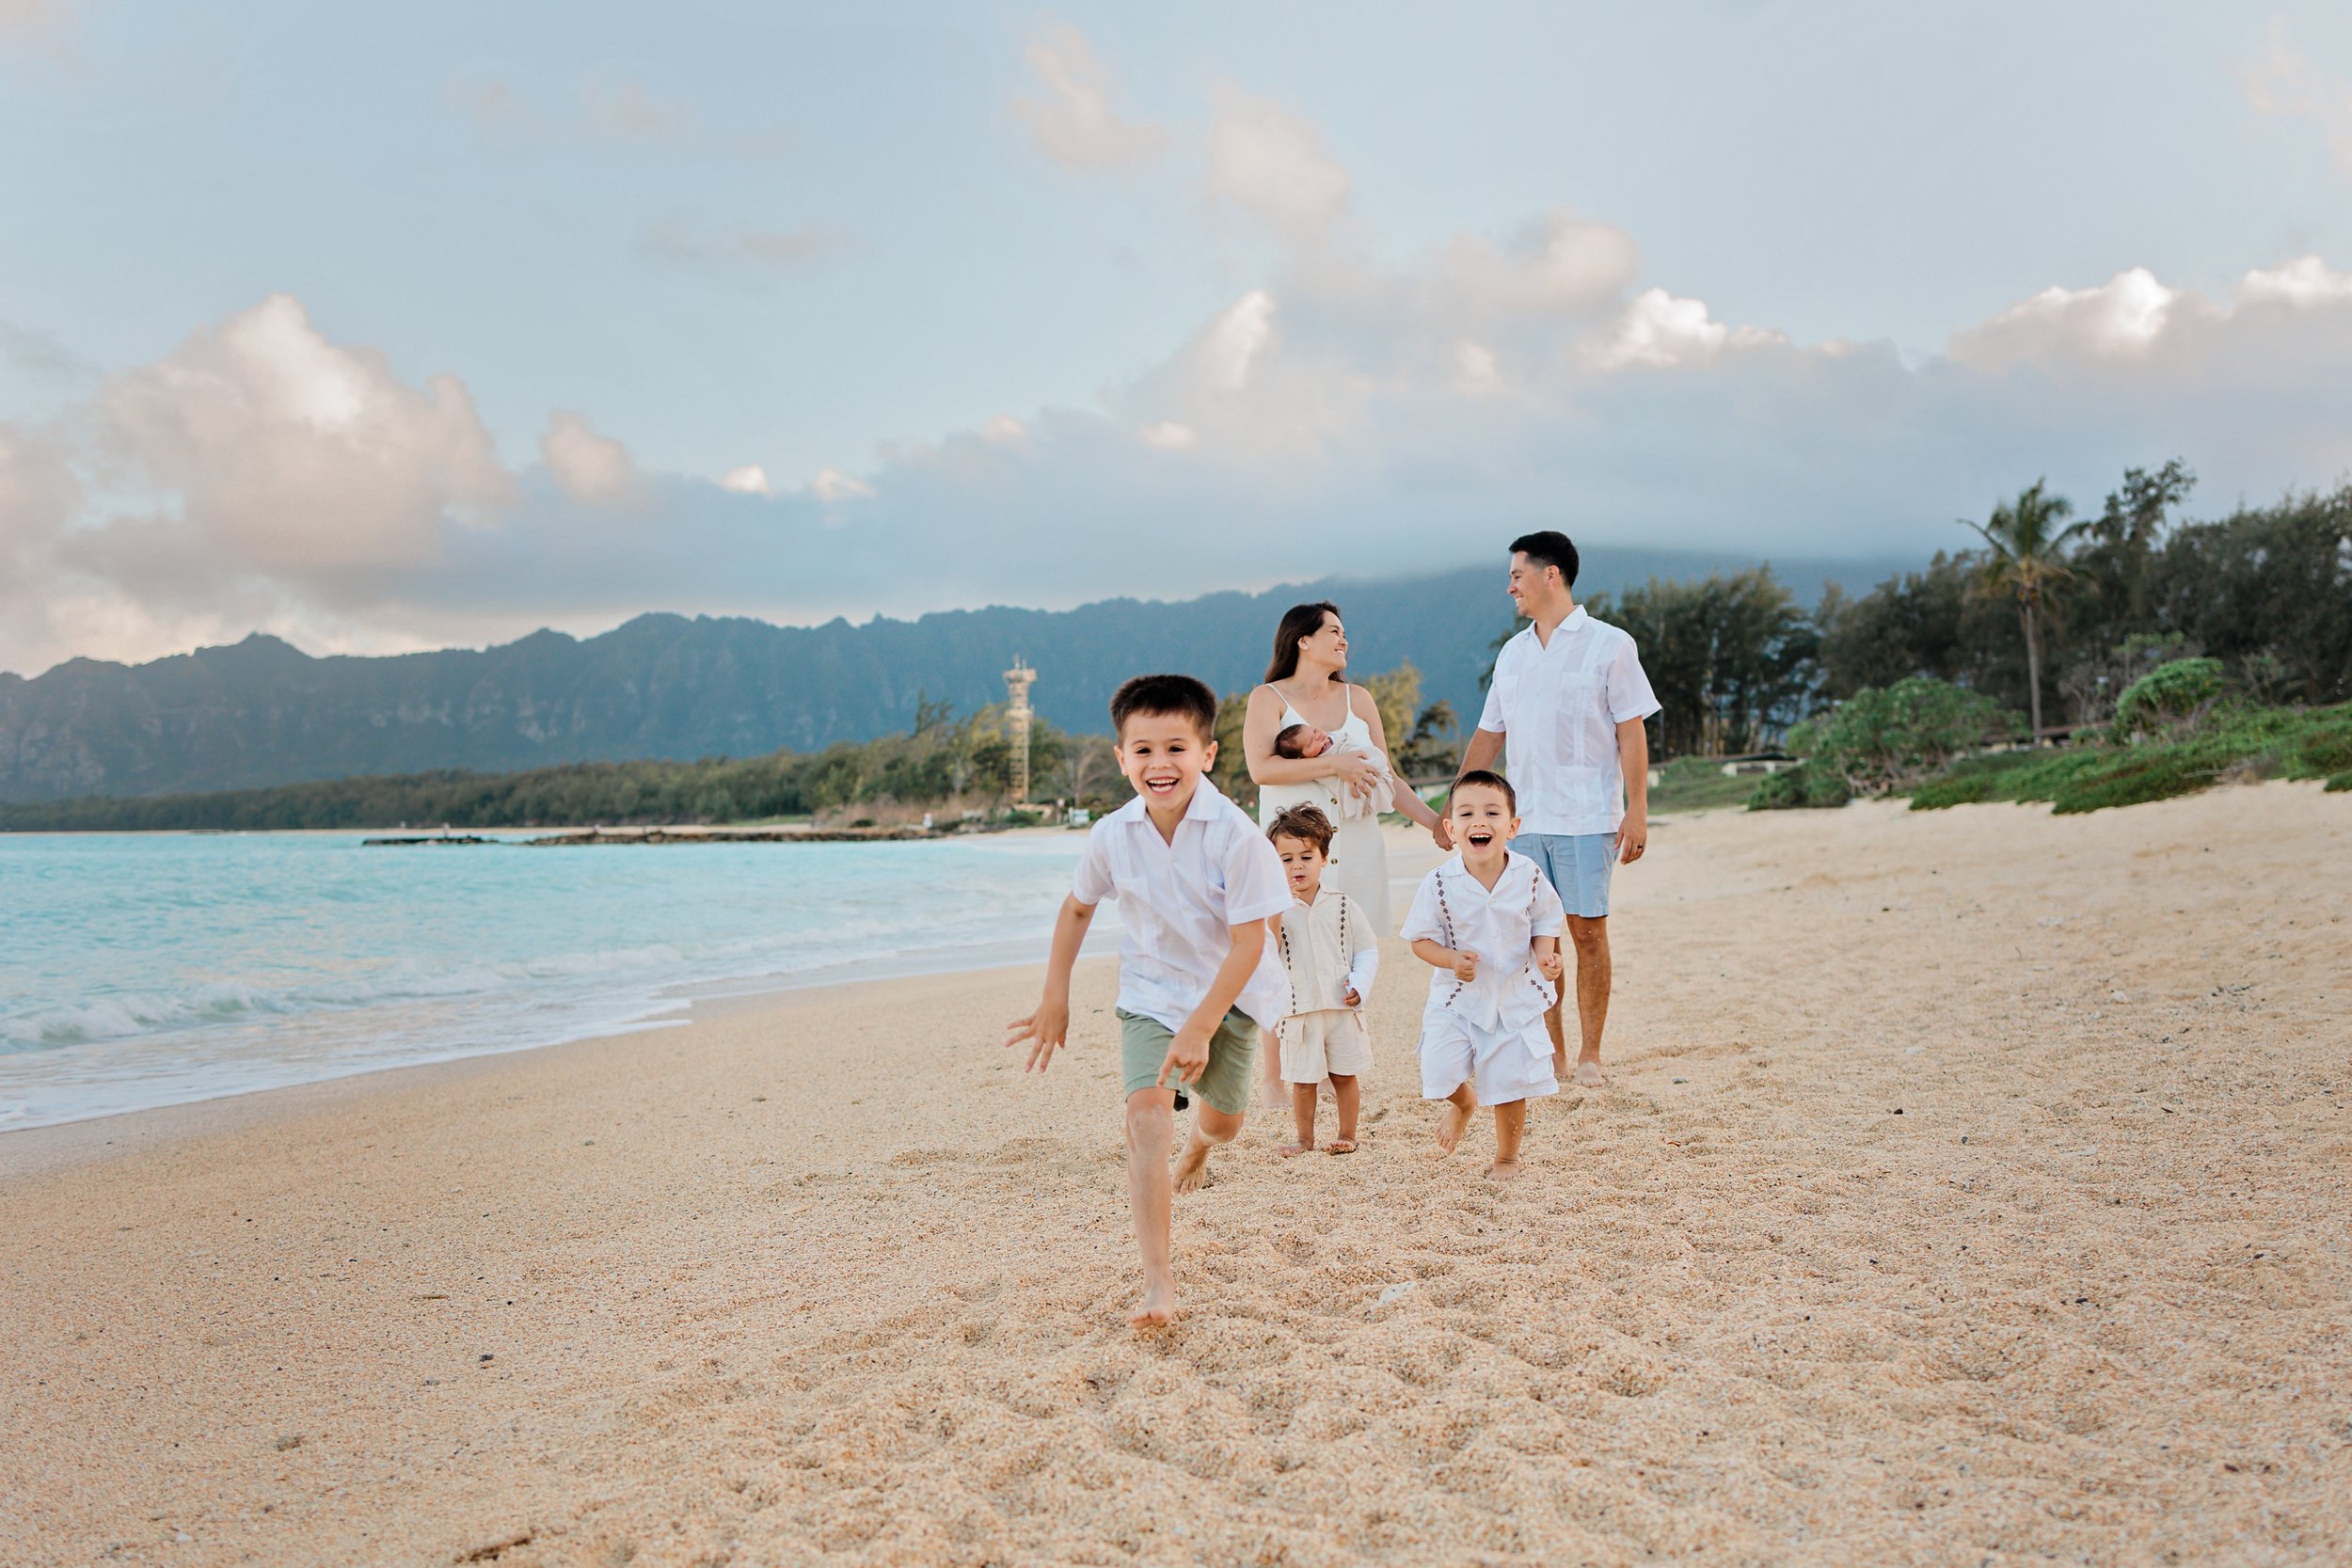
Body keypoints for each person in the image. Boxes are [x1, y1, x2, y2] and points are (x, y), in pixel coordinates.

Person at [1005, 673, 1293, 1330]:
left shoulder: (1236, 836)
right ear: (1120, 758)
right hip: (1151, 994)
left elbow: (1250, 944)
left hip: (1232, 994)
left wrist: (1202, 1026)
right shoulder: (1113, 834)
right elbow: (1077, 908)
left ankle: (1203, 1144)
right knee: (1144, 1123)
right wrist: (1056, 996)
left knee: (1222, 1123)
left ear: (1208, 754)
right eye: (1143, 750)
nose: (1159, 764)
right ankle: (1158, 1283)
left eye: (1175, 748)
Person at [1455, 532, 1660, 1090]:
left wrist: (1636, 810)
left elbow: (1631, 730)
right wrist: (1457, 806)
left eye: (1517, 575)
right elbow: (1488, 735)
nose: (1510, 586)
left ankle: (1591, 1055)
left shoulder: (1610, 644)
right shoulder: (1513, 652)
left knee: (1586, 932)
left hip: (1587, 817)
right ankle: (1554, 1057)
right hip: (1522, 826)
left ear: (1551, 575)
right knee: (1534, 941)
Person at [1246, 601, 1447, 1111]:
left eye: (1345, 633)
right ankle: (1275, 1077)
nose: (1344, 641)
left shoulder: (1360, 699)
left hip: (1354, 846)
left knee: (1343, 955)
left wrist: (1435, 825)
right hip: (1290, 851)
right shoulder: (1267, 699)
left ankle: (1339, 1074)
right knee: (1281, 957)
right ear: (1302, 641)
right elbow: (1261, 769)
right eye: (1333, 632)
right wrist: (1335, 763)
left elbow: (1388, 777)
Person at [1401, 770, 1565, 1182]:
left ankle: (1507, 1157)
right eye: (1467, 813)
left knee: (1511, 1082)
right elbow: (1419, 940)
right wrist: (1451, 959)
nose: (1480, 821)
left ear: (1512, 826)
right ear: (1451, 828)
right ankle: (1463, 1103)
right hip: (1457, 998)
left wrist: (1546, 956)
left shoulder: (1527, 875)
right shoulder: (1439, 882)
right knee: (1438, 1074)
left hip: (1512, 997)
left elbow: (1546, 920)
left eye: (1492, 813)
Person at [1263, 804, 1377, 1157]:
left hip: (1341, 1008)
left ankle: (1348, 1134)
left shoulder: (1343, 905)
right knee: (1302, 1081)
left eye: (1306, 856)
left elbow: (1368, 949)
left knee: (1345, 1076)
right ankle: (1304, 1139)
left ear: (1324, 858)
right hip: (1298, 1012)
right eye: (1286, 859)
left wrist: (1361, 984)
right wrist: (1275, 910)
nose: (1297, 865)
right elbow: (1269, 951)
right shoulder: (1275, 909)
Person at [1271, 723, 1396, 822]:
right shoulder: (1317, 766)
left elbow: (1348, 741)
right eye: (1310, 742)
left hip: (1364, 761)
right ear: (1302, 758)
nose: (1318, 736)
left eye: (1314, 731)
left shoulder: (1336, 737)